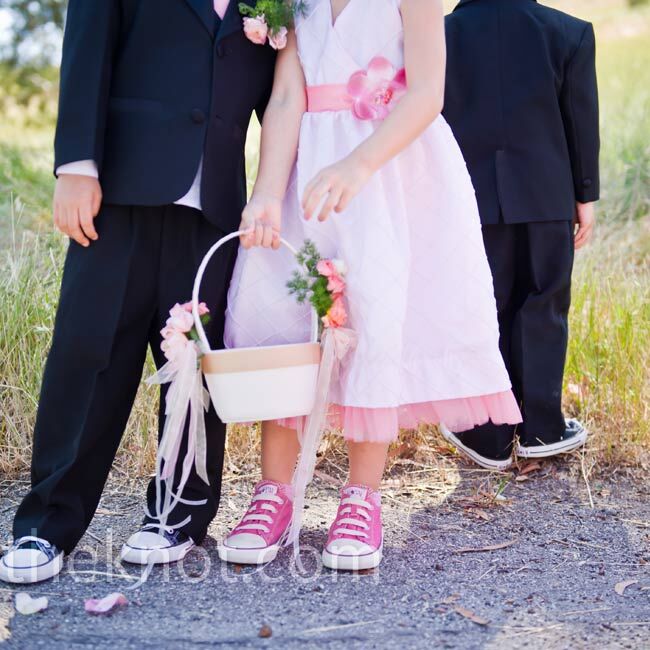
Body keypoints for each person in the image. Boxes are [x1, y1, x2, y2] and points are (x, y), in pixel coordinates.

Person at [218, 0, 522, 572]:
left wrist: (358, 165)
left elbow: (426, 93)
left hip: (385, 172)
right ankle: (273, 493)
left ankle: (361, 497)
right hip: (308, 172)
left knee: (374, 318)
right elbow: (287, 97)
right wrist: (265, 190)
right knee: (293, 319)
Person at [0, 0, 276, 584]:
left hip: (214, 211)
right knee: (88, 352)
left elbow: (284, 98)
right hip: (119, 193)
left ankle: (178, 513)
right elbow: (87, 47)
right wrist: (77, 164)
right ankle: (46, 524)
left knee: (194, 366)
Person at [440, 0, 600, 470]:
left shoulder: (442, 33)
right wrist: (584, 193)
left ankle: (486, 432)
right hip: (547, 194)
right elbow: (580, 120)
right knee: (544, 303)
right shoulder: (569, 32)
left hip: (469, 197)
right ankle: (541, 428)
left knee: (485, 307)